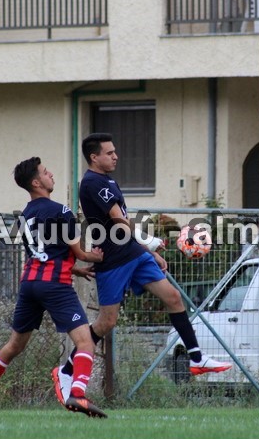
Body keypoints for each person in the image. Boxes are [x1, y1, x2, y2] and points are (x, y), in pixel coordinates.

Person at [53, 133, 231, 404]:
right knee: (106, 322)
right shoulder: (92, 182)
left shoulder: (107, 180)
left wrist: (148, 252)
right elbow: (118, 220)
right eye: (109, 153)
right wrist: (149, 240)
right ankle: (66, 370)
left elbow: (122, 222)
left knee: (173, 297)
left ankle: (197, 359)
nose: (115, 156)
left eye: (115, 151)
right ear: (94, 157)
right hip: (114, 260)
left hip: (133, 253)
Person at [0, 157, 107, 419]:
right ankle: (78, 393)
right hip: (55, 285)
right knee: (85, 342)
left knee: (14, 345)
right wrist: (93, 257)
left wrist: (74, 269)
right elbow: (80, 252)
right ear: (37, 182)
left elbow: (42, 253)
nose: (51, 174)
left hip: (30, 284)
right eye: (45, 172)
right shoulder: (61, 211)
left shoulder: (25, 215)